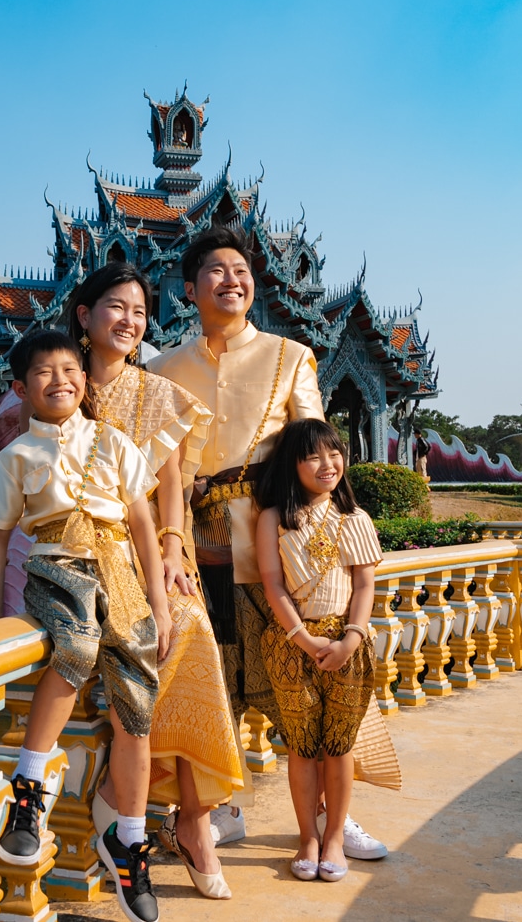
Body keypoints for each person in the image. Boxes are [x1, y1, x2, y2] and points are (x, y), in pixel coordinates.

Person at [145, 224, 388, 861]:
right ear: (189, 288)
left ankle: (335, 816)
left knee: (309, 678)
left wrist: (339, 532)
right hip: (191, 545)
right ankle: (220, 809)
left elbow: (315, 450)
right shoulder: (161, 369)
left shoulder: (290, 355)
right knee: (212, 678)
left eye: (241, 271)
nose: (232, 281)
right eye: (216, 271)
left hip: (280, 542)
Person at [0, 328, 171, 922]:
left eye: (69, 370)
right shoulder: (14, 457)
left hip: (121, 576)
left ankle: (127, 840)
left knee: (137, 702)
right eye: (43, 372)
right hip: (57, 565)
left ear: (84, 381)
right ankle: (28, 793)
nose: (59, 380)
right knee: (77, 647)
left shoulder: (114, 442)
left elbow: (142, 525)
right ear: (21, 389)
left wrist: (159, 603)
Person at [66, 263, 240, 898]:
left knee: (189, 629)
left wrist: (171, 552)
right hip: (78, 552)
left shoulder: (158, 393)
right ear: (84, 315)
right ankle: (168, 816)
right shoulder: (62, 384)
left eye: (140, 311)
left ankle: (189, 817)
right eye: (117, 307)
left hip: (152, 550)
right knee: (148, 639)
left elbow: (171, 488)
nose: (130, 321)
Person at [255, 418, 380, 883]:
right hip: (292, 645)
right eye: (312, 457)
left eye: (334, 454)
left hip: (348, 644)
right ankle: (308, 836)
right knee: (302, 745)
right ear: (293, 465)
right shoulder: (273, 518)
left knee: (338, 745)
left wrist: (351, 638)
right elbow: (272, 584)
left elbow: (364, 585)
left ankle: (334, 838)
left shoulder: (355, 518)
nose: (327, 465)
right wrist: (303, 639)